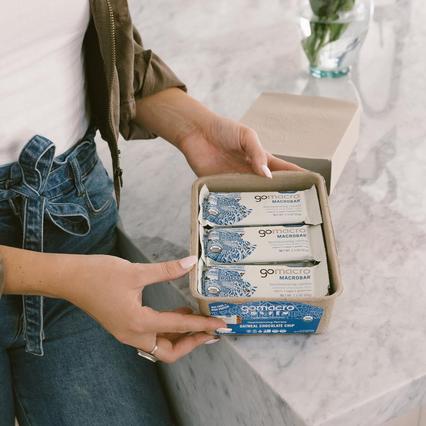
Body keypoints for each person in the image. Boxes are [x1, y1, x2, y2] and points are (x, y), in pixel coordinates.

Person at [0, 1, 301, 425]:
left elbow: (98, 42)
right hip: (78, 276)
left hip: (78, 225)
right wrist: (64, 278)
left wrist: (192, 127)